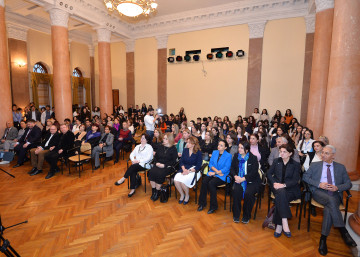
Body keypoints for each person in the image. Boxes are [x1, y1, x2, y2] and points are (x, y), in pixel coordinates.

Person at [303, 145, 356, 256]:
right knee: (331, 201)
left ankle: (323, 239)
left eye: (326, 153)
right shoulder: (315, 165)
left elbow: (348, 183)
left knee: (329, 207)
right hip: (319, 192)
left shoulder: (340, 167)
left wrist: (337, 187)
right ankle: (343, 230)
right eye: (322, 152)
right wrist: (319, 184)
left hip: (335, 193)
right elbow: (305, 177)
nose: (323, 155)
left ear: (333, 156)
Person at [267, 144, 301, 238]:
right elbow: (269, 174)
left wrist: (283, 185)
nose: (281, 153)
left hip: (290, 189)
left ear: (290, 153)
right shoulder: (276, 161)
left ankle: (279, 225)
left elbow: (295, 180)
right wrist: (274, 183)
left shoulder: (295, 164)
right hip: (276, 187)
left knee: (281, 197)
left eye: (284, 152)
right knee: (281, 193)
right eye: (280, 151)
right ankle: (284, 220)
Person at [197, 140, 232, 214]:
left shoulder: (228, 156)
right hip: (214, 173)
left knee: (211, 183)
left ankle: (213, 206)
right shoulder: (215, 152)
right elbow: (211, 164)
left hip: (223, 176)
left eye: (221, 145)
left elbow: (226, 168)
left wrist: (215, 173)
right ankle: (202, 203)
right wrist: (215, 172)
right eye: (219, 144)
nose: (219, 146)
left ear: (225, 147)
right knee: (204, 182)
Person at [231, 141, 260, 223]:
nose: (239, 149)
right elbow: (232, 168)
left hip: (251, 180)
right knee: (236, 191)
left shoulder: (253, 158)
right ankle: (236, 215)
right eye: (239, 147)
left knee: (248, 193)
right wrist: (235, 176)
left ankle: (246, 215)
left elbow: (254, 172)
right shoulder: (236, 156)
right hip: (238, 179)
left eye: (241, 148)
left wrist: (243, 179)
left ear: (247, 150)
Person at [148, 133, 178, 201]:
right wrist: (156, 163)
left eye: (165, 139)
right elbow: (155, 157)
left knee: (159, 173)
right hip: (158, 164)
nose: (163, 140)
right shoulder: (160, 147)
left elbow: (173, 161)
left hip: (168, 166)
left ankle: (157, 192)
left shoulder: (173, 149)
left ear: (169, 140)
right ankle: (154, 191)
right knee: (152, 172)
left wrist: (164, 165)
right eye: (163, 138)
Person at [174, 136, 202, 204]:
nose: (187, 143)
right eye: (187, 142)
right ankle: (182, 194)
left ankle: (187, 195)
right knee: (176, 180)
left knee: (183, 182)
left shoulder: (198, 152)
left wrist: (188, 171)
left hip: (193, 170)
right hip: (184, 168)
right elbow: (181, 161)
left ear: (193, 144)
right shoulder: (185, 150)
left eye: (189, 142)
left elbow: (198, 165)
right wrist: (184, 169)